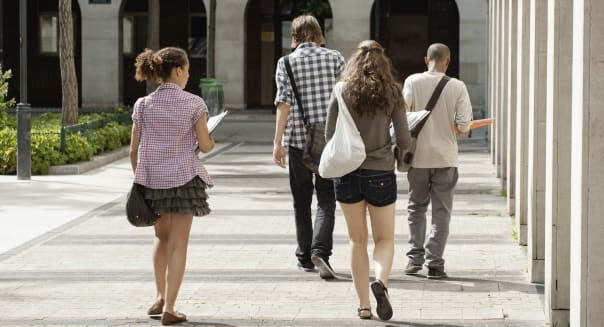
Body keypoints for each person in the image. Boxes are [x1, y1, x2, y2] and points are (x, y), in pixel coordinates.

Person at [325, 40, 410, 321]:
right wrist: (399, 158)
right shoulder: (392, 92)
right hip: (381, 172)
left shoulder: (342, 90)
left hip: (347, 173)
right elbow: (405, 138)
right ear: (383, 62)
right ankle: (381, 282)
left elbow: (329, 135)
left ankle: (363, 305)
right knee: (384, 239)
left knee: (356, 240)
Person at [129, 47, 215, 325]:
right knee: (179, 244)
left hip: (152, 181)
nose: (188, 75)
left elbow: (133, 151)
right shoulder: (194, 104)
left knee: (161, 239)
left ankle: (160, 296)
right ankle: (171, 308)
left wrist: (141, 180)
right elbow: (204, 145)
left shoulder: (142, 105)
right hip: (184, 181)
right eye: (188, 70)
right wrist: (211, 141)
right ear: (178, 71)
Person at [272, 15, 345, 279]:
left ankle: (304, 256)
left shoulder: (286, 62)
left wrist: (277, 141)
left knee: (301, 200)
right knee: (327, 197)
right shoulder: (335, 58)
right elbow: (344, 98)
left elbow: (284, 103)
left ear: (294, 35)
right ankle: (321, 252)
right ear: (318, 33)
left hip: (297, 140)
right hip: (329, 139)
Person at [402, 43, 472, 279]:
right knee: (442, 212)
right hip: (446, 158)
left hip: (418, 157)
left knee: (416, 208)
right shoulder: (457, 86)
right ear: (448, 61)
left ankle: (414, 258)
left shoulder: (412, 81)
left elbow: (402, 117)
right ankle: (435, 264)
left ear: (426, 59)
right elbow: (464, 127)